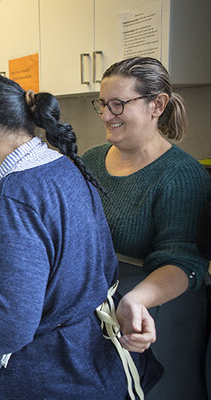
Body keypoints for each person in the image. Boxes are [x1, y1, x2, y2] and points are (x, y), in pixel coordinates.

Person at [0, 74, 162, 400]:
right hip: (92, 362)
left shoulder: (11, 199)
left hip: (48, 377)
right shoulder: (64, 166)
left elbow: (3, 326)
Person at [82, 56, 211, 400]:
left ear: (157, 105)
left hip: (154, 318)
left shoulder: (181, 175)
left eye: (118, 104)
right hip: (97, 311)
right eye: (103, 104)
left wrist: (137, 300)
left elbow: (184, 262)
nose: (106, 116)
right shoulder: (91, 161)